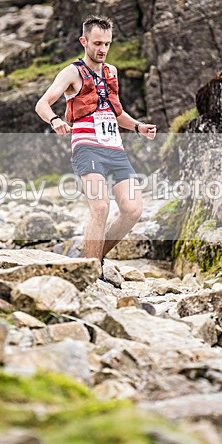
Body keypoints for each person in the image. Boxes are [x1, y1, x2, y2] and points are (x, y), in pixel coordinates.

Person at [34, 15, 157, 279]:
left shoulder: (112, 72)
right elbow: (42, 104)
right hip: (86, 147)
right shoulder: (71, 72)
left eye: (107, 44)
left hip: (115, 148)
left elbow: (116, 112)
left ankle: (94, 259)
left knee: (133, 210)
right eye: (97, 43)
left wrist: (138, 127)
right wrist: (55, 119)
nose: (102, 49)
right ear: (84, 41)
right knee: (100, 207)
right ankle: (92, 274)